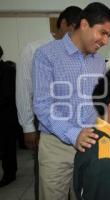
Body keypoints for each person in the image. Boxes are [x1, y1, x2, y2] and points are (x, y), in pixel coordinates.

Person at [32, 2, 110, 199]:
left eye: (109, 36)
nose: (105, 41)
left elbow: (97, 99)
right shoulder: (46, 55)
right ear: (85, 24)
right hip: (57, 147)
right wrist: (73, 133)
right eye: (103, 33)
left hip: (90, 143)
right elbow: (43, 106)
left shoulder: (98, 61)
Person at [16, 6, 81, 199]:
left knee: (76, 182)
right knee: (48, 178)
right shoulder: (35, 49)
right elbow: (24, 88)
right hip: (45, 123)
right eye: (74, 29)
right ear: (63, 24)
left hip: (75, 125)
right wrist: (27, 126)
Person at [0, 46, 19, 187]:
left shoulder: (7, 70)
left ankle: (9, 174)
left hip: (6, 116)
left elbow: (9, 94)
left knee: (8, 147)